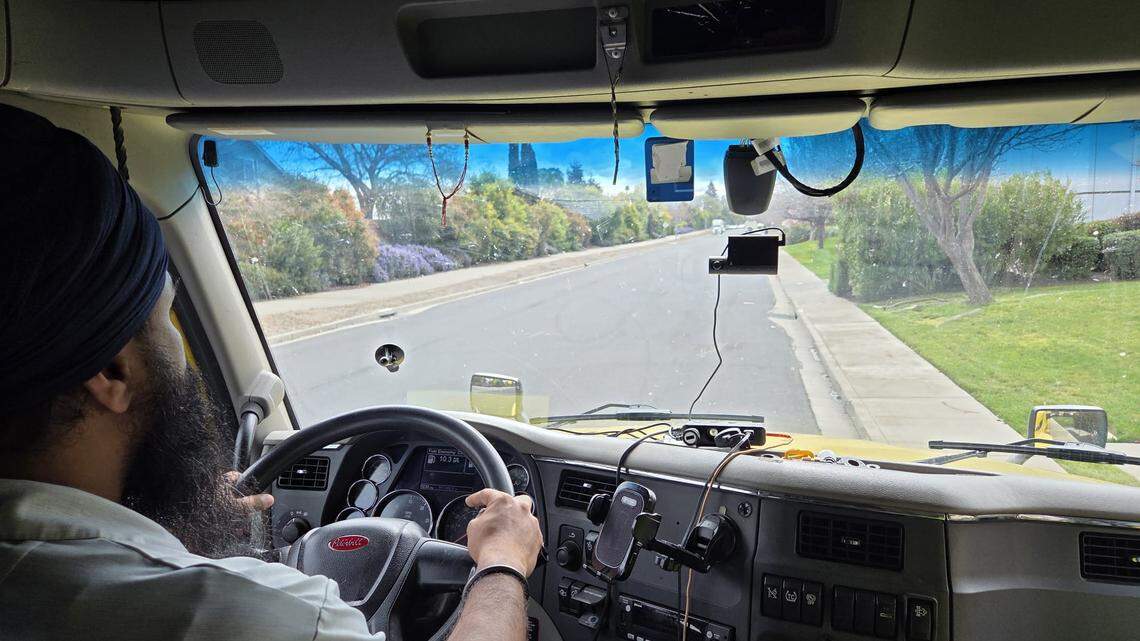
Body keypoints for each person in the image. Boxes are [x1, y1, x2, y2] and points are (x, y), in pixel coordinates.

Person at [0, 103, 544, 640]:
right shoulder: (247, 613)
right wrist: (502, 562)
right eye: (168, 317)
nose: (180, 347)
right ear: (111, 371)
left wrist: (177, 532)